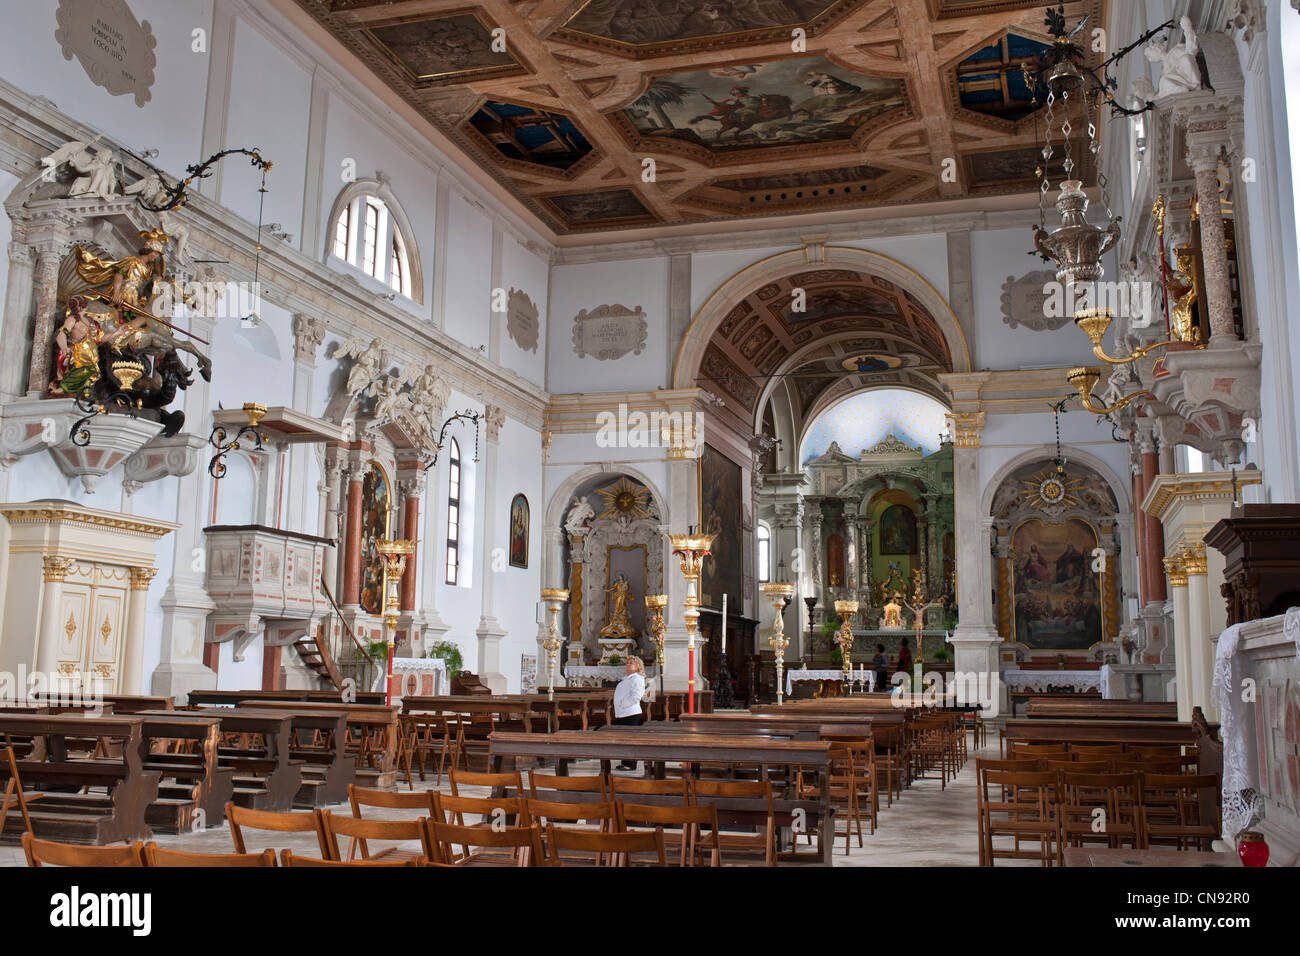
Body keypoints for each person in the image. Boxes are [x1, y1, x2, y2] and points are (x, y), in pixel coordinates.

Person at [613, 657, 647, 771]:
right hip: (623, 713)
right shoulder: (628, 678)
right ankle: (625, 761)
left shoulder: (637, 678)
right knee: (624, 739)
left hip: (631, 713)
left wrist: (623, 704)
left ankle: (631, 764)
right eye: (627, 663)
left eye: (631, 663)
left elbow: (636, 696)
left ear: (638, 666)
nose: (628, 665)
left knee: (630, 739)